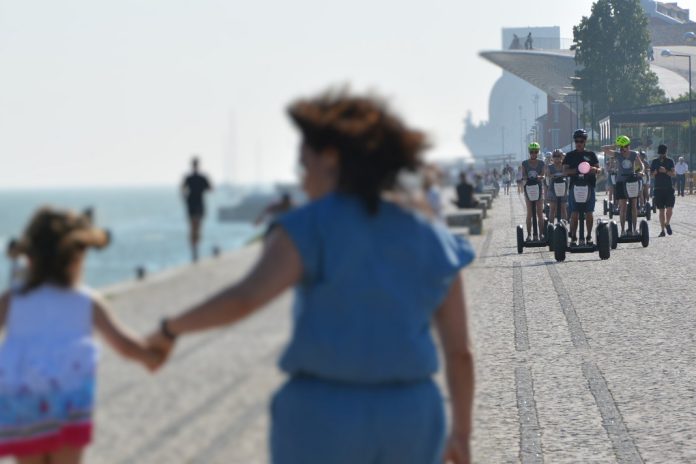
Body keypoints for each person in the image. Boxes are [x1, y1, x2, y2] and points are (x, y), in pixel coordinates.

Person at [147, 90, 476, 464]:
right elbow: (459, 352)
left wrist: (170, 329)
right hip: (411, 418)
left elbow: (245, 298)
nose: (302, 182)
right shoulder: (431, 236)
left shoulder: (309, 226)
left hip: (322, 420)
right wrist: (461, 434)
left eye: (304, 166)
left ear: (330, 159)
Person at [0, 207, 162, 464]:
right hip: (69, 409)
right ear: (76, 257)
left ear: (30, 256)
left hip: (23, 410)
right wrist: (152, 356)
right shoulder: (86, 301)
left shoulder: (12, 300)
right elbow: (125, 345)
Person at [563, 129, 600, 245]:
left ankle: (588, 236)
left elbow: (599, 169)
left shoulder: (591, 155)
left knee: (589, 213)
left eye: (581, 141)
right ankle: (574, 237)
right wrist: (578, 170)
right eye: (577, 141)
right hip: (575, 187)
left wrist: (594, 169)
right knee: (574, 213)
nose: (579, 143)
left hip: (589, 187)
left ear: (585, 142)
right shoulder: (570, 155)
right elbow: (565, 171)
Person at [182, 156, 213, 262]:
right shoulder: (200, 177)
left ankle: (195, 250)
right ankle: (195, 250)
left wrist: (186, 198)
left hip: (193, 204)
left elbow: (182, 189)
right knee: (195, 227)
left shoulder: (191, 177)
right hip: (197, 205)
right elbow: (210, 189)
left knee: (194, 228)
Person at [611, 135, 643, 236]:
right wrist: (615, 145)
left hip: (632, 181)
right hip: (621, 182)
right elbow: (603, 149)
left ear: (628, 146)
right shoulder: (617, 154)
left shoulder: (634, 154)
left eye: (625, 146)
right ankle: (623, 230)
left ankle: (634, 229)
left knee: (634, 205)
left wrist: (640, 171)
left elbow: (641, 165)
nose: (623, 149)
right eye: (621, 147)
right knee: (623, 207)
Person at [522, 142, 546, 241]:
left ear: (538, 152)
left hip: (539, 189)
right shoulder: (525, 163)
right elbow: (523, 175)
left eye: (535, 151)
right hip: (529, 189)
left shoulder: (541, 163)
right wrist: (525, 178)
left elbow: (543, 175)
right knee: (530, 213)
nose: (534, 153)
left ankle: (541, 234)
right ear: (529, 152)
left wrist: (540, 176)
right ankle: (529, 235)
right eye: (532, 152)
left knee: (539, 213)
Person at [650, 144, 676, 236]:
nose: (662, 155)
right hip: (658, 189)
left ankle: (667, 223)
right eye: (660, 153)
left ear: (666, 152)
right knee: (661, 210)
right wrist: (656, 172)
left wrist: (665, 171)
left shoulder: (670, 161)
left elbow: (673, 174)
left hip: (668, 188)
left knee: (669, 209)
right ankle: (662, 230)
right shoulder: (654, 162)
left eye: (663, 153)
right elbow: (651, 175)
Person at [546, 149, 567, 222]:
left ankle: (564, 226)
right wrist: (559, 175)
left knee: (563, 208)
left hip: (563, 188)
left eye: (558, 156)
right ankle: (551, 226)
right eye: (555, 156)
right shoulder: (550, 166)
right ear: (552, 157)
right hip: (552, 188)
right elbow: (548, 175)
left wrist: (555, 175)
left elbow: (565, 173)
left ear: (561, 157)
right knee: (552, 208)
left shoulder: (564, 165)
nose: (556, 158)